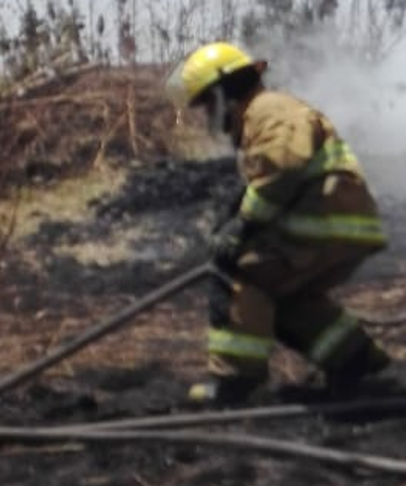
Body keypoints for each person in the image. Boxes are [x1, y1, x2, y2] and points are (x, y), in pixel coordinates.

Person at [166, 41, 391, 404]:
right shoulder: (263, 115)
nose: (208, 115)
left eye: (207, 103)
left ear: (224, 92)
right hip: (333, 220)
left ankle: (233, 380)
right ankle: (352, 359)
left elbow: (282, 167)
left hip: (323, 222)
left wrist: (242, 226)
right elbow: (274, 173)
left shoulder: (268, 110)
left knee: (241, 272)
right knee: (285, 297)